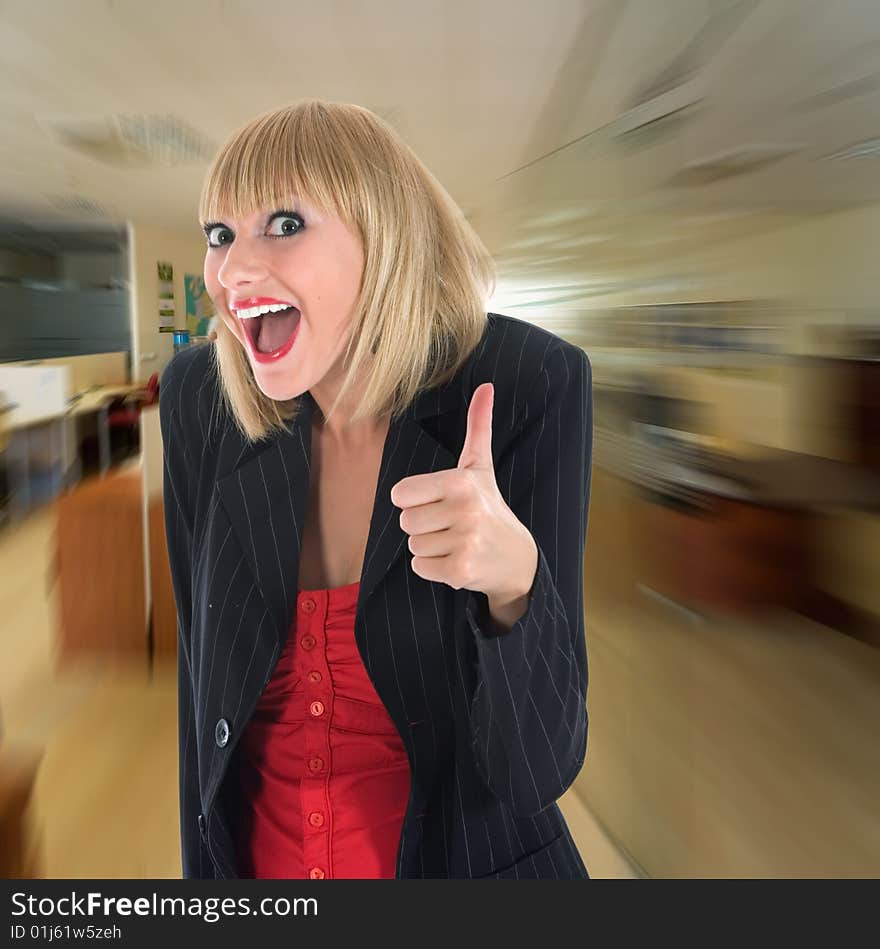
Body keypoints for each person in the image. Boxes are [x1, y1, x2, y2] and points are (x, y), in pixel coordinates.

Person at [160, 99, 593, 880]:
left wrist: (514, 584)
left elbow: (536, 770)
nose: (232, 271)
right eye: (220, 235)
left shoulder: (531, 383)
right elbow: (201, 708)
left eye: (284, 223)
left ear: (383, 236)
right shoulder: (200, 399)